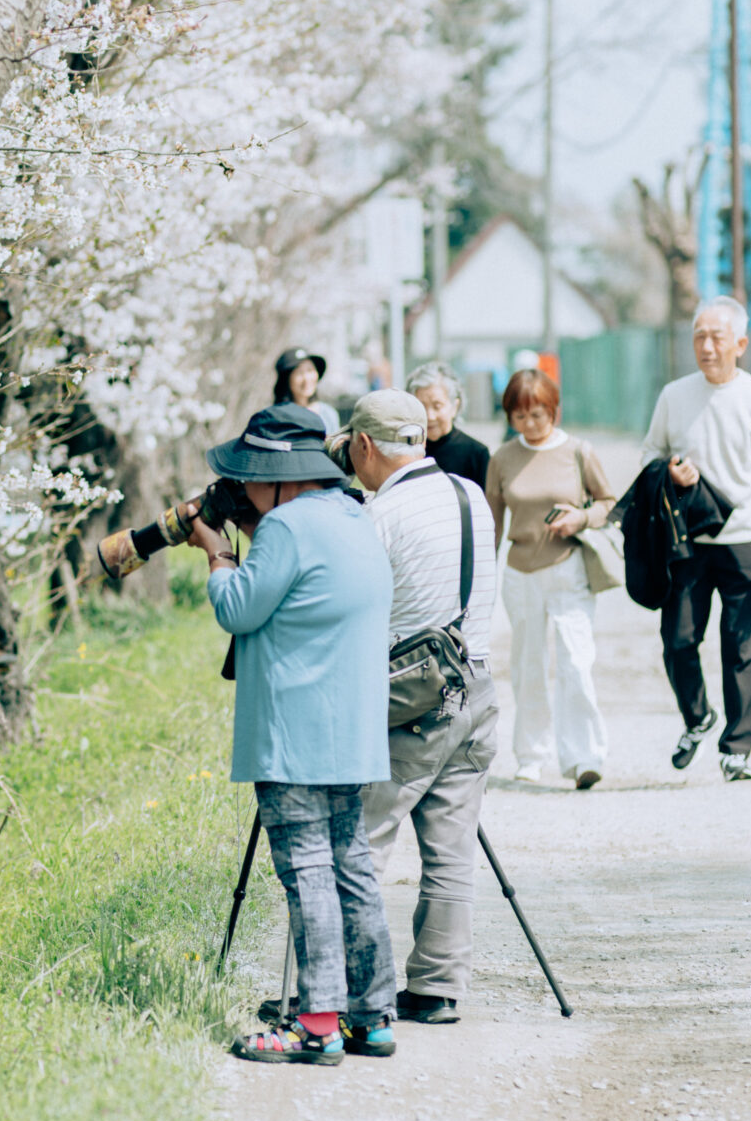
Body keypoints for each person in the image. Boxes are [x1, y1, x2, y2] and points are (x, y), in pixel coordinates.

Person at [188, 404, 397, 1066]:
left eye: (254, 477)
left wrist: (218, 553)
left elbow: (237, 608)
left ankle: (316, 1025)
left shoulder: (284, 528)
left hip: (293, 734)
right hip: (351, 732)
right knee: (351, 866)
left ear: (280, 477)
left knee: (307, 872)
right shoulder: (351, 517)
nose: (246, 488)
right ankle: (373, 1016)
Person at [339, 390, 499, 1026]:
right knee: (451, 851)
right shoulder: (471, 496)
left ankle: (354, 993)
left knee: (365, 845)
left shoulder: (378, 516)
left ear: (365, 446)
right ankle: (436, 989)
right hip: (478, 690)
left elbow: (355, 608)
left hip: (410, 700)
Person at [641, 297, 751, 781]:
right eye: (698, 337)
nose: (706, 347)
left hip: (747, 538)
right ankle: (697, 717)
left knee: (740, 644)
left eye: (717, 337)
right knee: (678, 640)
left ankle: (736, 750)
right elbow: (651, 453)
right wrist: (670, 470)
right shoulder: (674, 395)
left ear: (741, 344)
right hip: (687, 542)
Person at [484, 369, 616, 789]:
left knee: (577, 661)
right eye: (520, 417)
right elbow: (491, 521)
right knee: (527, 666)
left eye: (538, 415)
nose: (530, 424)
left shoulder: (578, 451)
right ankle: (530, 755)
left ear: (554, 412)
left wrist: (582, 517)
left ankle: (585, 757)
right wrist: (483, 572)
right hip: (520, 572)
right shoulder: (503, 457)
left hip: (567, 567)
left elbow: (610, 502)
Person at [408, 360, 490, 488]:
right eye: (422, 406)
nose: (430, 416)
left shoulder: (476, 453)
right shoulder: (406, 451)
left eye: (437, 406)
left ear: (454, 407)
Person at [273, 347, 340, 427]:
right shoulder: (276, 417)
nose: (306, 379)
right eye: (299, 373)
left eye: (310, 370)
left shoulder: (328, 414)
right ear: (286, 380)